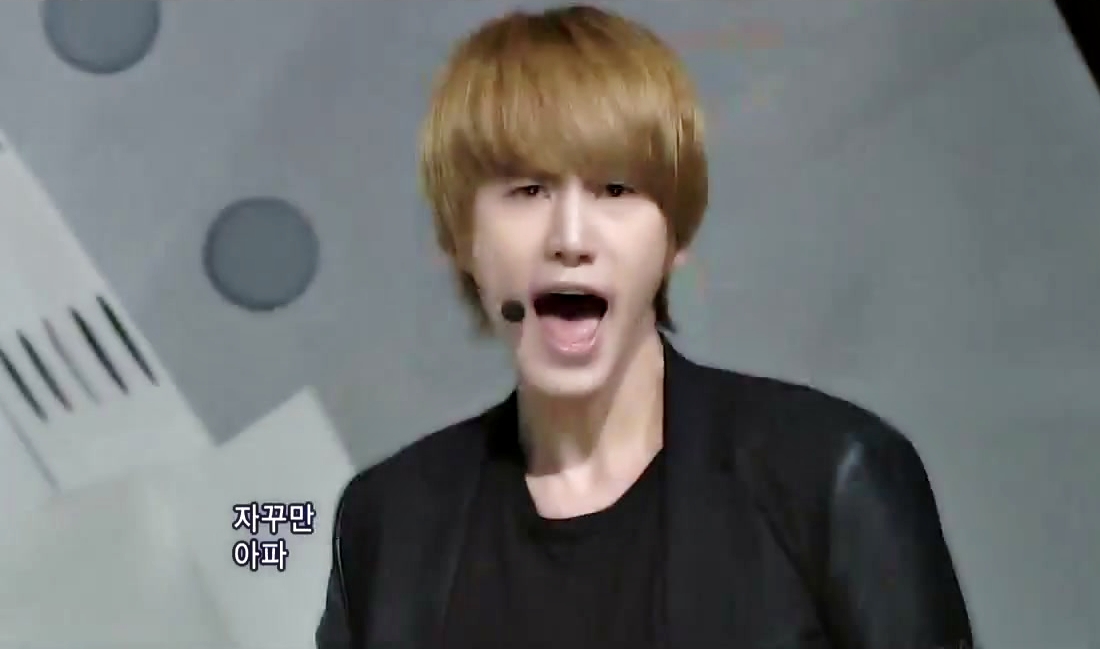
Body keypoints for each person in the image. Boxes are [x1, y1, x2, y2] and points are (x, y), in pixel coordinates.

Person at [316, 5, 973, 649]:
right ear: (460, 239)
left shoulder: (829, 478)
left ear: (674, 236)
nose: (571, 238)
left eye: (615, 190)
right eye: (528, 191)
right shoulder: (388, 523)